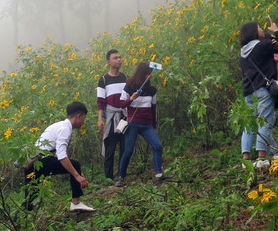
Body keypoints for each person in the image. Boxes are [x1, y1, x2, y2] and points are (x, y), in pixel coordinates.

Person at [239, 17, 278, 168]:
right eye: (259, 28)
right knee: (265, 121)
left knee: (250, 125)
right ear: (253, 32)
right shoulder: (262, 46)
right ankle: (262, 157)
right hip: (263, 90)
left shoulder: (242, 53)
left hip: (249, 93)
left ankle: (246, 159)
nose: (262, 30)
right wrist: (276, 31)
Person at [24, 102, 95, 214]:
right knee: (75, 165)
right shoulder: (65, 129)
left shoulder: (58, 125)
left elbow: (56, 153)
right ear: (79, 115)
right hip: (40, 162)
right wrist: (77, 175)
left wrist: (75, 172)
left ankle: (13, 228)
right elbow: (61, 156)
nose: (83, 122)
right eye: (84, 118)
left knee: (29, 200)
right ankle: (76, 203)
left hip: (32, 165)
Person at [117, 62, 170, 185]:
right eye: (147, 73)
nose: (149, 76)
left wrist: (154, 124)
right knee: (128, 150)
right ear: (141, 74)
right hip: (133, 123)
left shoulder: (152, 90)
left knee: (157, 146)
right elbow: (121, 104)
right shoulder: (129, 87)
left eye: (150, 73)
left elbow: (153, 108)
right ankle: (121, 177)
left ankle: (159, 173)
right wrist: (131, 98)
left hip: (147, 124)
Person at [97, 49, 128, 181]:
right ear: (109, 62)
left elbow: (129, 97)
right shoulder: (104, 80)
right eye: (115, 58)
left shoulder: (126, 78)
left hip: (124, 117)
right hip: (111, 117)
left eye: (120, 57)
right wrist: (100, 119)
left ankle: (122, 175)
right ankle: (108, 177)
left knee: (124, 146)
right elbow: (100, 101)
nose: (119, 60)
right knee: (110, 148)